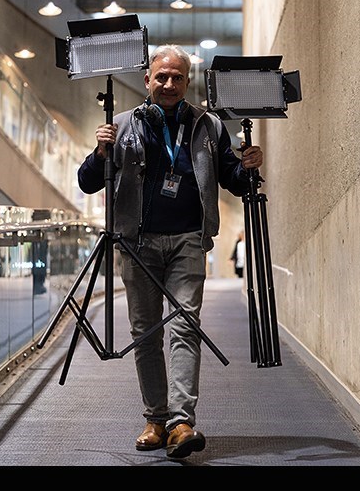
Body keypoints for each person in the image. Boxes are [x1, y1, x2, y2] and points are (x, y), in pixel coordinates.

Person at [77, 44, 263, 459]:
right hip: (137, 243)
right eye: (161, 76)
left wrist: (248, 164)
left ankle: (181, 423)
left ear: (187, 81)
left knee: (185, 326)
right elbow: (88, 182)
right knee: (146, 334)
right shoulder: (122, 125)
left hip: (189, 241)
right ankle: (155, 419)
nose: (169, 83)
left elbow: (232, 178)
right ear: (147, 80)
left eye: (177, 77)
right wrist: (100, 152)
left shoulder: (209, 126)